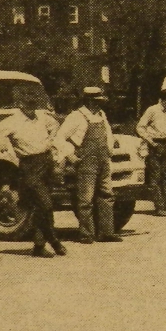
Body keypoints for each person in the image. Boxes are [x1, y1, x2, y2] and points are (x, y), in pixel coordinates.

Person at [0, 91, 65, 257]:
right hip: (29, 165)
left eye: (34, 103)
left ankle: (39, 245)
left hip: (46, 162)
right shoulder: (13, 121)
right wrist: (3, 140)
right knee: (46, 204)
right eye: (28, 104)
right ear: (20, 104)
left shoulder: (42, 117)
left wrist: (50, 141)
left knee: (39, 207)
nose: (32, 107)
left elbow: (55, 125)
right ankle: (54, 240)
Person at [56, 87, 122, 243]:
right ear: (89, 101)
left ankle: (106, 232)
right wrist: (70, 156)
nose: (100, 105)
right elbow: (59, 138)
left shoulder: (101, 115)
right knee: (86, 199)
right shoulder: (76, 117)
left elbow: (108, 135)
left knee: (107, 194)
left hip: (103, 161)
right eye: (97, 102)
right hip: (86, 162)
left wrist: (109, 150)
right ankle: (86, 234)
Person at [135, 88, 166, 216]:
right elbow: (140, 127)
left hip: (165, 144)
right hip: (154, 144)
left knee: (165, 176)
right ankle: (159, 207)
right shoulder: (152, 110)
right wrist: (151, 142)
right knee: (155, 176)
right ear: (163, 99)